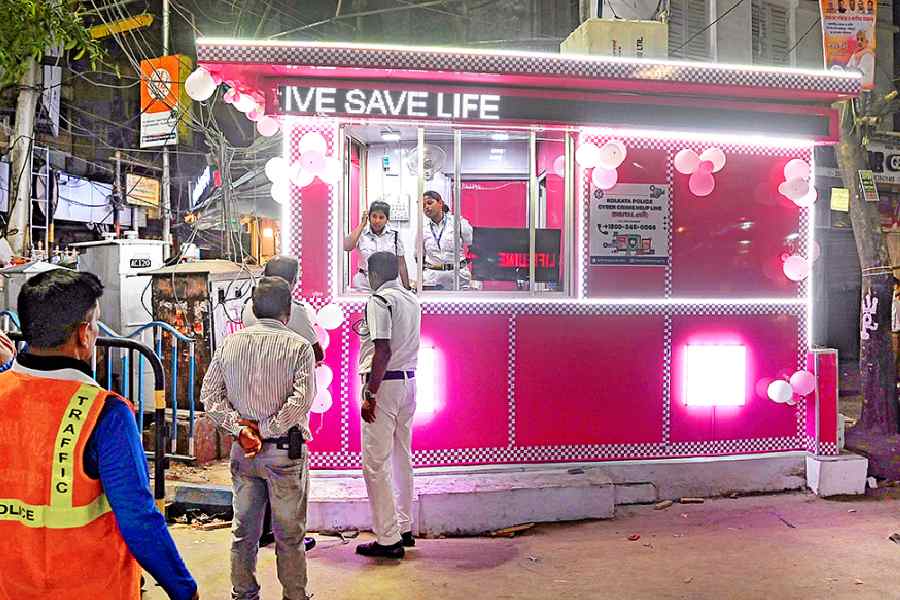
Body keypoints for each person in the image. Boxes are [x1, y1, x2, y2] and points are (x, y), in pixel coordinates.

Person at [0, 269, 198, 600]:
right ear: (83, 334)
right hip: (91, 589)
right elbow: (138, 518)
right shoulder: (105, 414)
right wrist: (183, 588)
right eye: (94, 323)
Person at [202, 276, 316, 600]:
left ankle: (244, 594)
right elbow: (300, 402)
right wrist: (265, 429)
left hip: (244, 454)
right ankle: (295, 596)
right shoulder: (298, 347)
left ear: (253, 307)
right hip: (284, 455)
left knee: (243, 533)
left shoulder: (229, 344)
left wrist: (242, 431)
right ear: (288, 309)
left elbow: (209, 397)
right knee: (290, 535)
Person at [355, 252, 421, 559]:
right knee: (401, 457)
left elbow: (382, 349)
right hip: (408, 383)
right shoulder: (410, 299)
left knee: (375, 464)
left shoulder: (380, 301)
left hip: (385, 385)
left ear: (373, 274)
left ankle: (387, 538)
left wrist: (370, 392)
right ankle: (403, 528)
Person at [242, 256, 325, 363]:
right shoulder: (295, 309)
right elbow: (317, 354)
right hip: (285, 374)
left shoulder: (249, 304)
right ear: (293, 281)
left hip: (253, 371)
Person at [344, 201, 411, 291]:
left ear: (387, 219)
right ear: (369, 217)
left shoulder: (394, 235)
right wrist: (362, 225)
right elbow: (347, 247)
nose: (377, 221)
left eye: (381, 217)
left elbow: (401, 264)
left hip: (389, 284)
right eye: (374, 216)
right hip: (365, 284)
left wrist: (407, 288)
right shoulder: (361, 233)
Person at [421, 190, 473, 290]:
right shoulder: (423, 228)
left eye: (430, 203)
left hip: (458, 277)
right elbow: (419, 256)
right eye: (423, 205)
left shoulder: (458, 222)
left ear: (440, 203)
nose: (426, 207)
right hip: (433, 279)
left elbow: (471, 243)